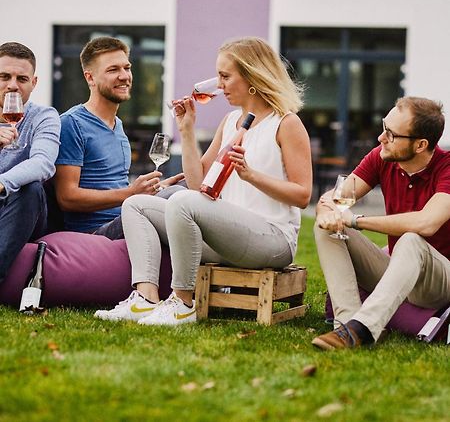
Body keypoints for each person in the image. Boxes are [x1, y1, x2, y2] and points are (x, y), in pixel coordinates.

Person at [94, 36, 313, 323]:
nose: (219, 85)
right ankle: (145, 298)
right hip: (229, 237)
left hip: (272, 240)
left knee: (182, 200)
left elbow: (302, 194)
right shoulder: (231, 122)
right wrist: (186, 131)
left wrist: (251, 176)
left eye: (225, 76)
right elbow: (198, 184)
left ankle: (183, 303)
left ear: (251, 76)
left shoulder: (286, 123)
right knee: (136, 205)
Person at [312, 96, 450, 350]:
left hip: (439, 281)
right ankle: (346, 325)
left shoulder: (447, 167)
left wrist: (355, 220)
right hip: (398, 269)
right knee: (325, 228)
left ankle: (365, 328)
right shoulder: (382, 156)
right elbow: (335, 198)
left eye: (391, 134)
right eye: (384, 127)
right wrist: (327, 212)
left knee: (411, 239)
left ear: (420, 145)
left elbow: (426, 223)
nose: (381, 138)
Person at [54, 36, 183, 242]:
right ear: (90, 78)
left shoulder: (118, 125)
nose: (124, 76)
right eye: (113, 70)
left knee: (181, 190)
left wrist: (151, 191)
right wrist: (131, 193)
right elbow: (66, 197)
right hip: (95, 231)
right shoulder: (72, 124)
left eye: (127, 67)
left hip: (126, 215)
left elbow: (119, 187)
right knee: (178, 199)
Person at [0, 42, 61, 282]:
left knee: (31, 187)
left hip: (20, 211)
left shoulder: (44, 116)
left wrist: (3, 182)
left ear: (33, 83)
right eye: (4, 76)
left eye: (22, 79)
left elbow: (43, 163)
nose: (12, 85)